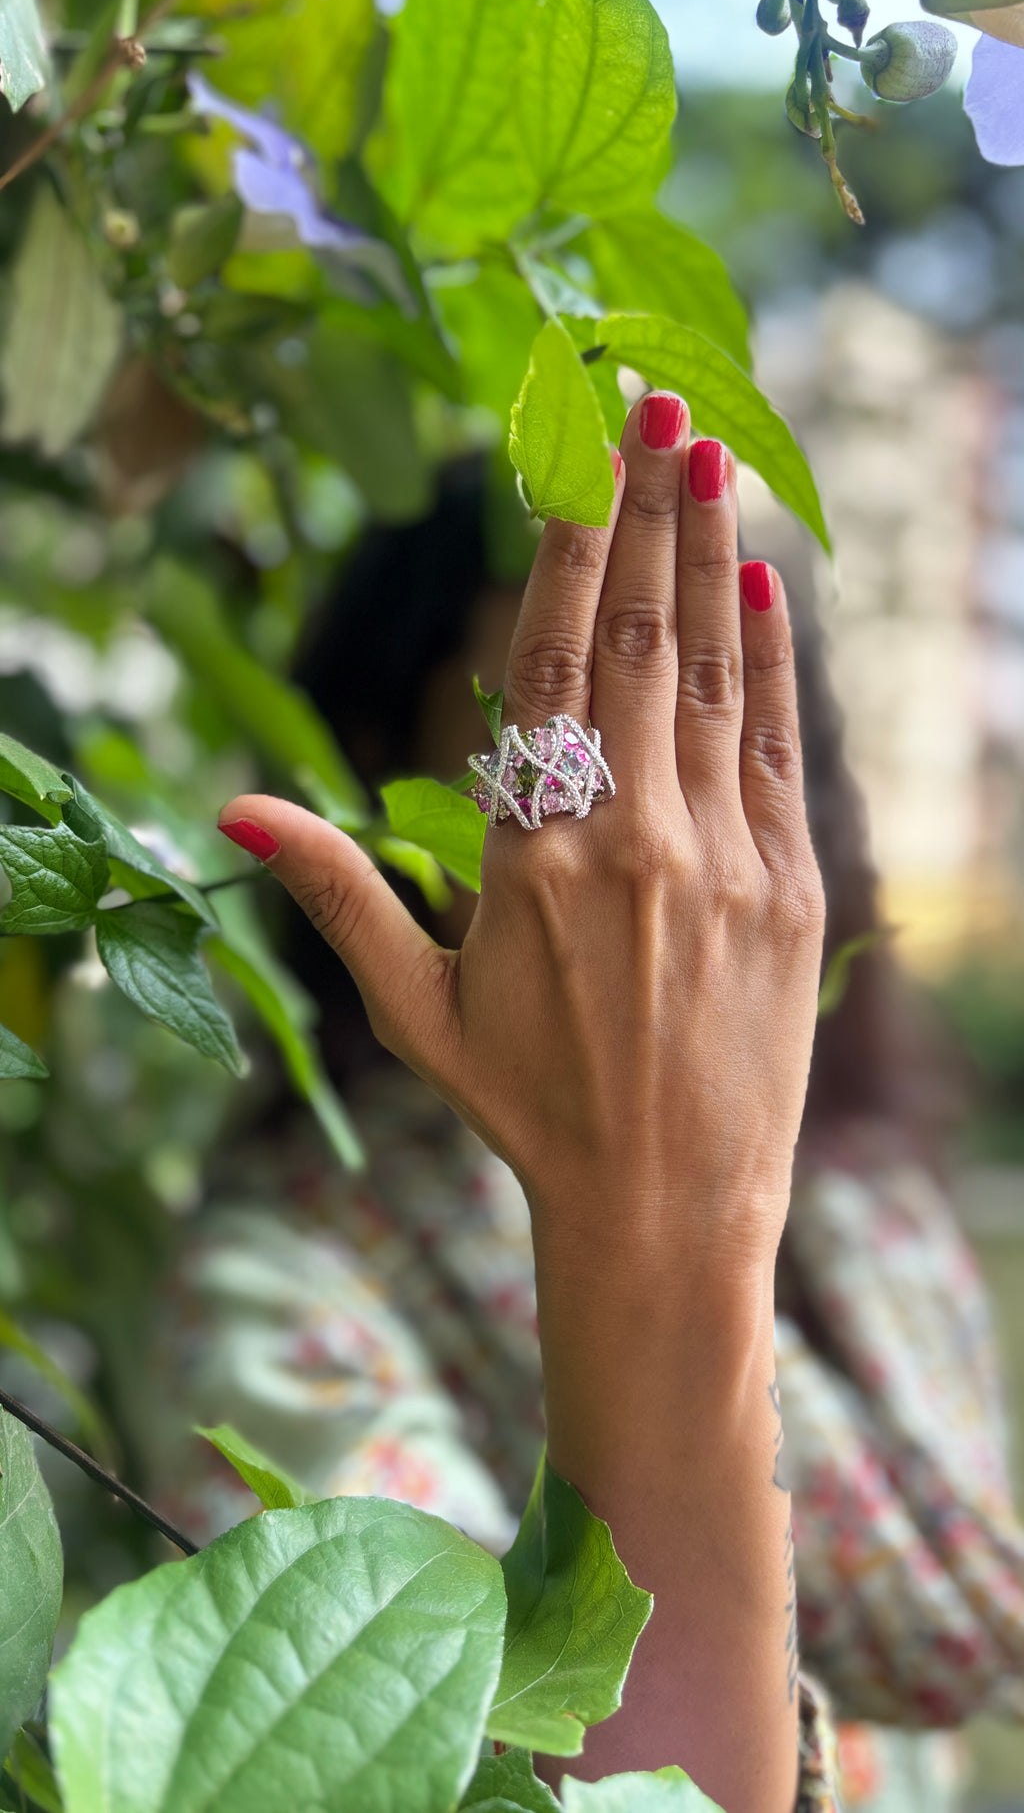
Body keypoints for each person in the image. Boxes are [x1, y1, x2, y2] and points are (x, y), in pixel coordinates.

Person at [172, 390, 1024, 1811]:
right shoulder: (280, 1285)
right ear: (383, 745)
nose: (647, 800)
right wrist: (651, 1230)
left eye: (710, 685)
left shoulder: (873, 1199)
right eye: (546, 688)